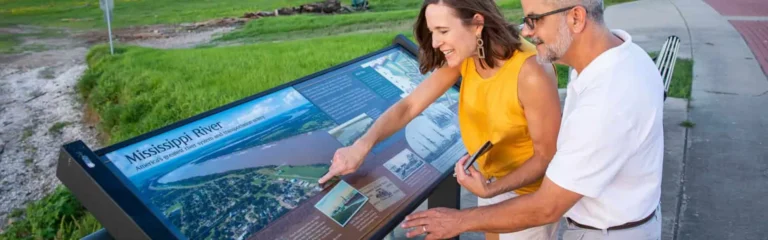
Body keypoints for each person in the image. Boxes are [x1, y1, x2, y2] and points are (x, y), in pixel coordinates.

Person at [399, 0, 665, 239]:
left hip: (605, 232)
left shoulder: (607, 99)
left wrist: (458, 220)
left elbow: (547, 206)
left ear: (575, 18)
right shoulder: (620, 58)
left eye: (534, 20)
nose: (526, 31)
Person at [317, 0, 563, 239]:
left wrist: (491, 190)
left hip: (529, 195)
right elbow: (409, 106)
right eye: (433, 31)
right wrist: (361, 145)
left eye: (443, 31)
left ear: (477, 23)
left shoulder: (531, 73)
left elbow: (545, 156)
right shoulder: (471, 52)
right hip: (490, 179)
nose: (435, 43)